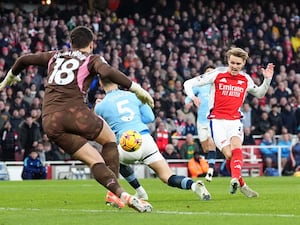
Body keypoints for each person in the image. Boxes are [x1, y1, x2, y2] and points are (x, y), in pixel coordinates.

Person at [0, 26, 154, 213]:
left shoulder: (55, 56)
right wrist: (137, 88)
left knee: (94, 160)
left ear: (71, 43)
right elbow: (106, 72)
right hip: (75, 113)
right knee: (109, 141)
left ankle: (122, 194)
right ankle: (113, 196)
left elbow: (23, 59)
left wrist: (8, 80)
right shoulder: (91, 58)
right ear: (91, 44)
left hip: (50, 120)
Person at [94, 78, 211, 207]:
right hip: (145, 140)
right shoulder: (134, 95)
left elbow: (98, 127)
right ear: (116, 81)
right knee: (167, 176)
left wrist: (97, 110)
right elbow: (150, 118)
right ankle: (193, 185)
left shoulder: (101, 105)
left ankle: (135, 191)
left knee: (112, 160)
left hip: (125, 145)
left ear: (100, 84)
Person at [184, 47, 275, 197]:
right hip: (217, 122)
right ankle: (241, 183)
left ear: (243, 63)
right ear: (228, 60)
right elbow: (188, 83)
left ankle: (234, 178)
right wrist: (192, 97)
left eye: (238, 63)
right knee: (229, 155)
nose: (234, 66)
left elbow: (259, 94)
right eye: (232, 62)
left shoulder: (245, 79)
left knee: (236, 148)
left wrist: (267, 79)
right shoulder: (217, 74)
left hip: (235, 121)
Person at [184, 65, 217, 182]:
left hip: (212, 120)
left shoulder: (218, 87)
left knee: (212, 143)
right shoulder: (200, 87)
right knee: (206, 148)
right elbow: (189, 95)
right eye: (208, 72)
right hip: (201, 121)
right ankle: (208, 162)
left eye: (212, 72)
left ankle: (210, 171)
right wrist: (188, 102)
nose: (209, 74)